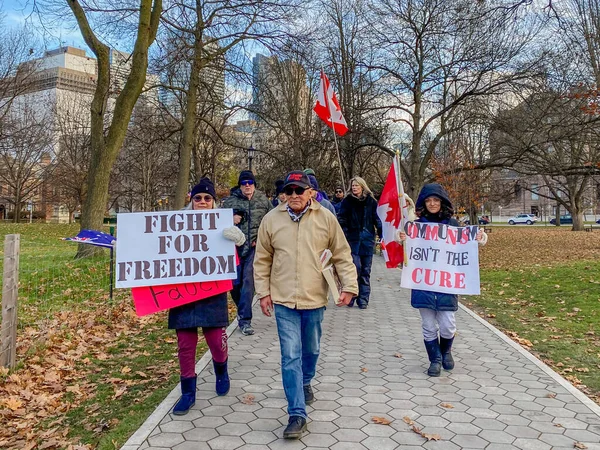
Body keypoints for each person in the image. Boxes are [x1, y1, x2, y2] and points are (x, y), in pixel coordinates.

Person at [254, 170, 358, 439]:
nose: (294, 196)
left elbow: (342, 255)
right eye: (289, 191)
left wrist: (349, 286)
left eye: (299, 190)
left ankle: (307, 380)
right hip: (283, 298)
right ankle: (296, 414)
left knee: (310, 349)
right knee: (291, 355)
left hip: (314, 298)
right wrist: (263, 293)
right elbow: (262, 259)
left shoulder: (326, 218)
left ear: (311, 192)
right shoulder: (271, 220)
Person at [170, 178, 246, 415]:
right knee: (185, 345)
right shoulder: (173, 224)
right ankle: (188, 392)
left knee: (216, 341)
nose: (202, 202)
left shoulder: (222, 225)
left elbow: (236, 256)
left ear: (214, 201)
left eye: (207, 198)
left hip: (212, 292)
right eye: (198, 198)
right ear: (191, 200)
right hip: (182, 293)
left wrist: (239, 240)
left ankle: (221, 370)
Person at [395, 183, 488, 377]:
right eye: (428, 200)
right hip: (423, 283)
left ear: (442, 202)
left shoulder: (452, 225)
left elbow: (467, 241)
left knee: (448, 324)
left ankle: (446, 351)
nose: (432, 204)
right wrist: (400, 236)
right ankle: (435, 359)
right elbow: (403, 242)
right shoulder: (416, 225)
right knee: (428, 325)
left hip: (446, 284)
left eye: (436, 200)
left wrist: (480, 238)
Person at [223, 170, 273, 335]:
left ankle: (245, 321)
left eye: (250, 183)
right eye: (244, 183)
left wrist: (263, 240)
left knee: (248, 282)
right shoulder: (229, 202)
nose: (247, 186)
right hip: (233, 249)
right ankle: (242, 309)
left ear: (254, 185)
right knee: (235, 285)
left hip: (254, 248)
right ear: (240, 185)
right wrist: (231, 218)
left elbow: (272, 222)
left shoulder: (263, 201)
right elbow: (217, 223)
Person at [337, 176, 382, 309]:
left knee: (365, 271)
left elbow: (377, 219)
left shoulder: (371, 201)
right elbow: (341, 218)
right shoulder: (347, 201)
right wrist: (345, 231)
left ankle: (363, 299)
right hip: (352, 240)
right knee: (354, 268)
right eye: (353, 185)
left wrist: (382, 234)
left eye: (357, 185)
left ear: (362, 186)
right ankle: (352, 296)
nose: (354, 187)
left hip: (367, 241)